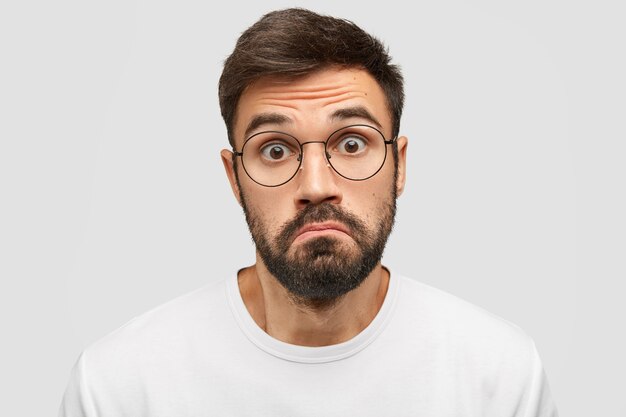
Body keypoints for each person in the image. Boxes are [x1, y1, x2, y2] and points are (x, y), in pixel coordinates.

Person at [59, 8, 559, 416]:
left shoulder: (500, 378)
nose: (317, 187)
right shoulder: (118, 388)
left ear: (398, 165)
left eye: (351, 143)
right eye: (275, 149)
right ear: (235, 179)